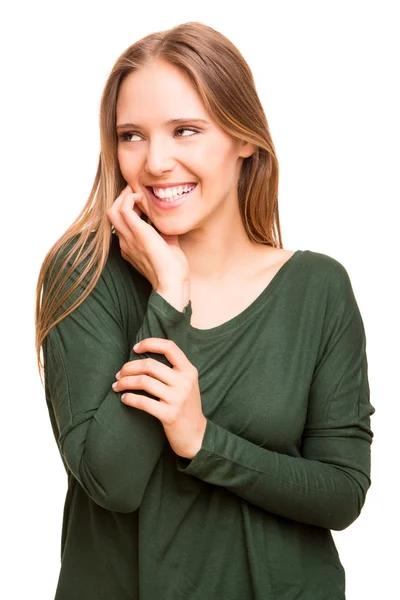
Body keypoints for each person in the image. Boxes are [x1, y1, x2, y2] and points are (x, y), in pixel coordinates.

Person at [35, 21, 375, 600]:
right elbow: (111, 481)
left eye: (186, 130)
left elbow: (341, 492)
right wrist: (169, 296)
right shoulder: (84, 275)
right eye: (132, 135)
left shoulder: (319, 288)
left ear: (245, 138)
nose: (156, 162)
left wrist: (201, 440)